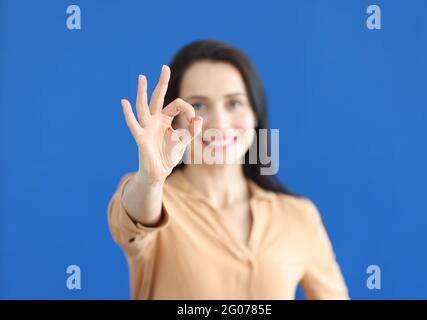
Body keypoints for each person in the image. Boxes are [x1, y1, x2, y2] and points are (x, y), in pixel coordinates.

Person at [108, 39, 348, 299]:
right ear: (174, 121)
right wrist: (151, 180)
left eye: (234, 103)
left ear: (255, 114)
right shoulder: (152, 197)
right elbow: (134, 220)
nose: (220, 123)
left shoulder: (297, 216)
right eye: (198, 105)